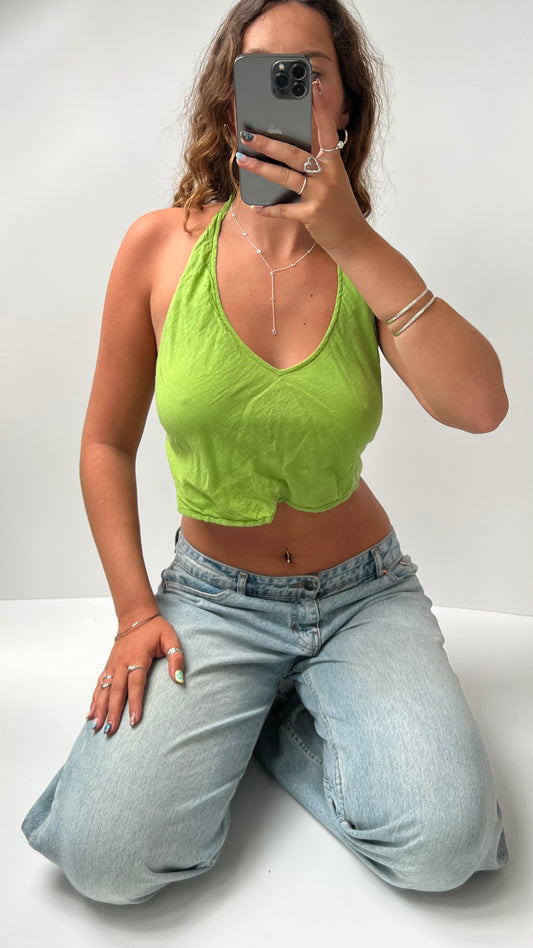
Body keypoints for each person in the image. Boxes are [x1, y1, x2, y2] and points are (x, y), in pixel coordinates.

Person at [22, 0, 509, 905]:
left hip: (362, 594)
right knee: (104, 859)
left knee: (442, 850)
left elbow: (481, 408)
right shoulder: (160, 248)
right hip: (213, 597)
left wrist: (349, 236)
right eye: (266, 75)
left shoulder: (366, 263)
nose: (289, 92)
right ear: (232, 99)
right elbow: (104, 441)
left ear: (345, 105)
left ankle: (271, 727)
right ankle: (253, 710)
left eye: (310, 73)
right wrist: (133, 612)